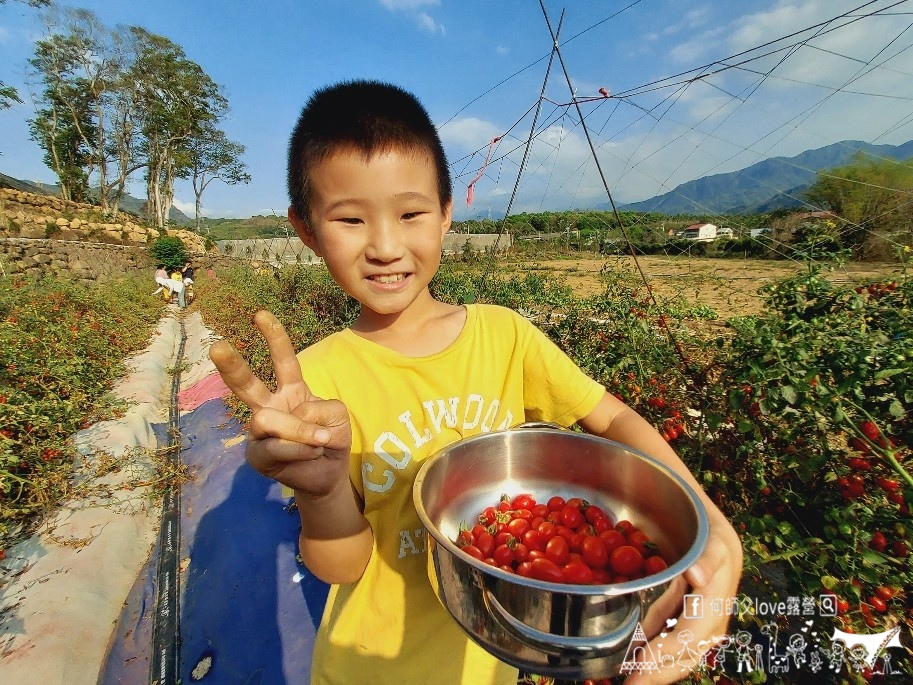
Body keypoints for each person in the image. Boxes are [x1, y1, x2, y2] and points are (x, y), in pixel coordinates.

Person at [209, 80, 743, 685]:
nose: (386, 247)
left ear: (445, 214)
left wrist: (710, 524)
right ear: (306, 229)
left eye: (410, 214)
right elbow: (340, 567)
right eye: (350, 219)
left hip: (494, 662)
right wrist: (321, 491)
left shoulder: (504, 337)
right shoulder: (320, 383)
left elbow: (612, 418)